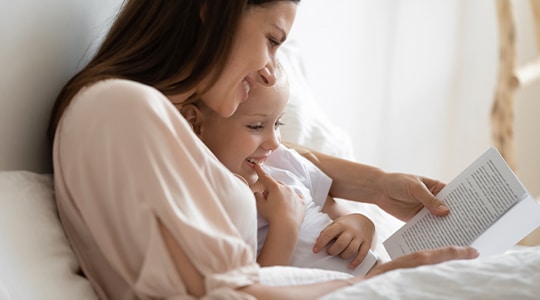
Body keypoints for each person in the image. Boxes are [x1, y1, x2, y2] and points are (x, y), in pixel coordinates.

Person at [47, 1, 478, 299]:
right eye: (272, 39)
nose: (271, 71)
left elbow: (273, 153)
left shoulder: (166, 130)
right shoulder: (118, 109)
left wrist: (379, 188)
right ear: (212, 14)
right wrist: (377, 284)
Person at [179, 67, 379, 275]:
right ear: (196, 124)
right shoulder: (209, 205)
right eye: (256, 126)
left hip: (379, 277)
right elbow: (254, 288)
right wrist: (285, 224)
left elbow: (345, 221)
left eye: (277, 123)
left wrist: (363, 226)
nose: (274, 143)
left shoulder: (284, 163)